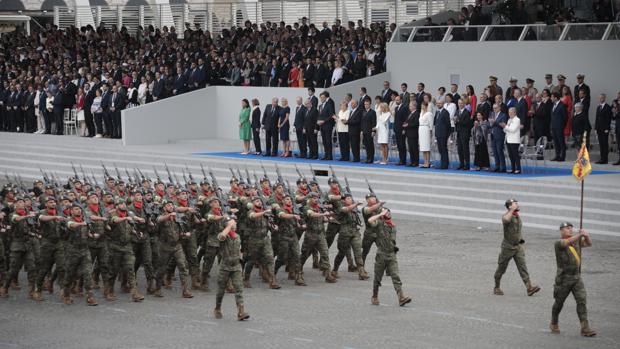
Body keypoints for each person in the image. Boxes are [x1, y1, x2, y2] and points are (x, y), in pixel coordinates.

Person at [550, 222, 596, 337]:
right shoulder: (559, 243)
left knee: (581, 300)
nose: (570, 230)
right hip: (564, 279)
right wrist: (579, 235)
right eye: (567, 228)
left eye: (571, 228)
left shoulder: (576, 241)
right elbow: (567, 242)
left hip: (576, 277)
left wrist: (586, 235)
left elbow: (589, 244)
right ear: (561, 231)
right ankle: (554, 322)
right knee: (559, 303)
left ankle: (585, 328)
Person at [493, 199, 541, 297]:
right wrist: (511, 211)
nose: (517, 205)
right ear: (510, 206)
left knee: (523, 267)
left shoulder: (517, 216)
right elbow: (505, 220)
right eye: (515, 203)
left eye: (517, 203)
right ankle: (496, 287)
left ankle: (529, 288)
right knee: (501, 269)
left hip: (518, 247)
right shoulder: (507, 215)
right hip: (508, 248)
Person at [367, 208, 411, 307]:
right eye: (385, 211)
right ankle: (375, 296)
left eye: (388, 211)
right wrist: (380, 214)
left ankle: (401, 297)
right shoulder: (379, 224)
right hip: (381, 255)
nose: (388, 212)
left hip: (391, 255)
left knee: (395, 276)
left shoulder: (393, 226)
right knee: (378, 277)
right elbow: (370, 220)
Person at [213, 218, 250, 321]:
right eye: (232, 223)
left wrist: (240, 257)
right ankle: (218, 308)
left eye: (234, 223)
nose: (234, 224)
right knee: (221, 290)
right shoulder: (224, 235)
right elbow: (221, 237)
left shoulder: (237, 236)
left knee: (239, 289)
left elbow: (239, 249)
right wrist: (229, 226)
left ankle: (241, 312)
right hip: (225, 267)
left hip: (236, 266)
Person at [489, 103, 508, 172]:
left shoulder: (503, 115)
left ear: (499, 108)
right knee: (495, 152)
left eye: (496, 108)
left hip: (499, 135)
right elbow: (490, 124)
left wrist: (495, 122)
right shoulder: (492, 114)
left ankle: (503, 167)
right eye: (493, 108)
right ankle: (497, 166)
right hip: (493, 135)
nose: (494, 109)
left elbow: (503, 125)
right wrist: (490, 123)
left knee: (500, 151)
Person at [455, 99, 473, 170]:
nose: (460, 104)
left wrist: (458, 120)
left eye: (461, 103)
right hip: (459, 132)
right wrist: (455, 121)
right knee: (459, 149)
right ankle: (461, 163)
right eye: (459, 103)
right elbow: (456, 122)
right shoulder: (457, 112)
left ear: (464, 104)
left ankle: (467, 164)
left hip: (465, 133)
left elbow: (467, 123)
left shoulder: (467, 112)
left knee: (465, 149)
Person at [317, 92, 336, 160]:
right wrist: (318, 121)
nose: (322, 99)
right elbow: (319, 115)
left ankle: (330, 156)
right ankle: (326, 154)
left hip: (328, 125)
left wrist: (324, 121)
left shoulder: (329, 105)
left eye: (323, 97)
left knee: (328, 141)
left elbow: (331, 115)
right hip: (322, 126)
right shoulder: (320, 106)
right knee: (324, 141)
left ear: (325, 98)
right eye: (321, 97)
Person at [594, 94, 612, 164]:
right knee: (601, 144)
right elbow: (596, 118)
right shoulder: (598, 107)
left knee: (605, 144)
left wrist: (607, 128)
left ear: (604, 98)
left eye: (602, 98)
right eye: (599, 98)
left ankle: (605, 159)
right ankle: (601, 158)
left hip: (605, 129)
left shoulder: (607, 107)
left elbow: (608, 118)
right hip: (599, 128)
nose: (600, 99)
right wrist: (596, 128)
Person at [503, 107, 522, 174]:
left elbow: (513, 130)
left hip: (514, 140)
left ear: (514, 113)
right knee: (511, 155)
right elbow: (505, 130)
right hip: (508, 139)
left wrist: (505, 126)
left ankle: (518, 169)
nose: (509, 114)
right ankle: (513, 168)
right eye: (509, 112)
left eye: (511, 112)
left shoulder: (517, 119)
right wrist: (505, 127)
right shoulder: (509, 120)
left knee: (515, 155)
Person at [550, 92, 568, 162]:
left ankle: (562, 156)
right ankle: (557, 155)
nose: (551, 98)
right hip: (554, 127)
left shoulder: (562, 105)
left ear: (556, 98)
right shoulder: (553, 105)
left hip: (559, 127)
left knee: (561, 142)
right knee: (556, 142)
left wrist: (562, 126)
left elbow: (565, 117)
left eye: (552, 97)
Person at [434, 100, 451, 169]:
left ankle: (445, 165)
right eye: (437, 103)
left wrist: (447, 134)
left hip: (443, 134)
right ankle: (443, 163)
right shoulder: (437, 112)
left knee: (444, 149)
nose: (438, 104)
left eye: (440, 103)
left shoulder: (445, 112)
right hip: (438, 133)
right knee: (440, 150)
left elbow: (448, 124)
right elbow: (435, 123)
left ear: (443, 104)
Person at [403, 100, 421, 167]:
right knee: (410, 148)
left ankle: (416, 162)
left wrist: (407, 125)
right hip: (409, 133)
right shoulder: (410, 114)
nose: (409, 107)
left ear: (414, 106)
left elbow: (416, 123)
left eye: (410, 106)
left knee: (414, 148)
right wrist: (405, 126)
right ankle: (412, 161)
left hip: (414, 134)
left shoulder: (417, 113)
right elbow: (407, 121)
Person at [393, 95, 408, 165]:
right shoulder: (396, 108)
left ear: (401, 100)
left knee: (402, 145)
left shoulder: (404, 108)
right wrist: (394, 128)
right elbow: (396, 119)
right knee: (399, 145)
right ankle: (400, 159)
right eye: (396, 100)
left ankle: (403, 160)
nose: (396, 101)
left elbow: (405, 119)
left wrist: (404, 129)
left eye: (398, 100)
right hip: (397, 129)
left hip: (402, 129)